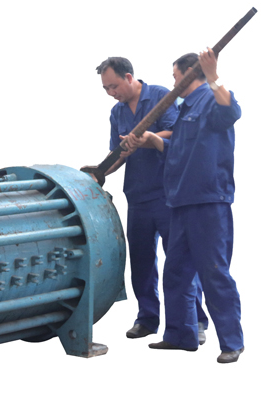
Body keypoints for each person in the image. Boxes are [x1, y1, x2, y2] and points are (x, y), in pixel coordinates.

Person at [124, 49, 244, 363]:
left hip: (207, 202)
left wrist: (214, 76)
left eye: (176, 76)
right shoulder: (185, 108)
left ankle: (232, 342)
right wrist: (152, 140)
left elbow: (231, 111)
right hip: (179, 202)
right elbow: (177, 150)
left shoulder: (210, 99)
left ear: (190, 74)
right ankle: (180, 335)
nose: (173, 82)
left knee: (214, 273)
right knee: (176, 273)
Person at [94, 57, 208, 341]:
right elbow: (118, 153)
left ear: (129, 77)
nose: (111, 93)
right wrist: (98, 172)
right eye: (106, 89)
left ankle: (194, 321)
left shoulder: (161, 97)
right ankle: (147, 318)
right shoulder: (117, 113)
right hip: (138, 196)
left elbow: (178, 133)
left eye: (114, 86)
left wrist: (147, 138)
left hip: (169, 193)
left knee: (180, 262)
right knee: (142, 263)